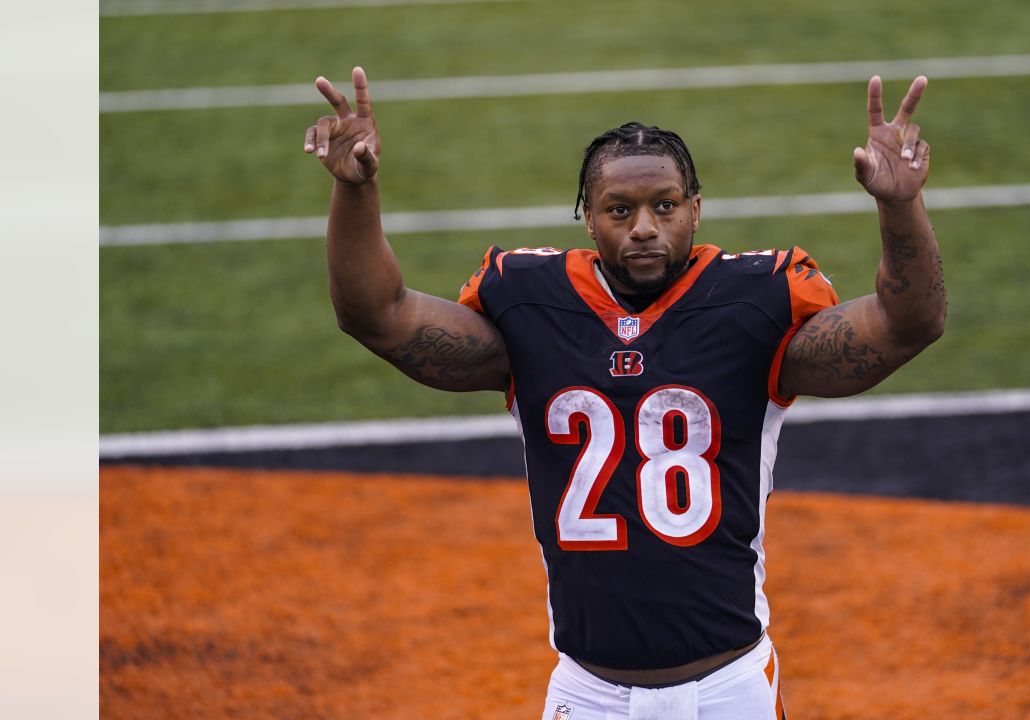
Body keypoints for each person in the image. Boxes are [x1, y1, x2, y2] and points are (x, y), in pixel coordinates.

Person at [304, 66, 946, 720]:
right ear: (588, 219)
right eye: (620, 209)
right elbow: (377, 316)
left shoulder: (755, 304)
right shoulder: (531, 303)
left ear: (695, 208)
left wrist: (900, 205)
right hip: (588, 691)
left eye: (664, 205)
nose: (644, 226)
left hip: (728, 689)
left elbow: (907, 325)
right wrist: (357, 191)